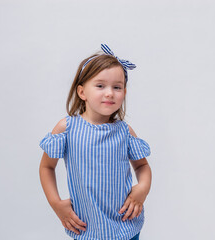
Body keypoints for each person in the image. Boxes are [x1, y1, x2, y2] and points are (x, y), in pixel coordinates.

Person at [39, 44, 152, 240]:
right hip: (87, 229)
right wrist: (56, 203)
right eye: (100, 86)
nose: (110, 93)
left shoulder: (125, 131)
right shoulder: (67, 129)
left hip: (126, 228)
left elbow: (142, 165)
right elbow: (46, 167)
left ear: (124, 93)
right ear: (82, 92)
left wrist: (142, 188)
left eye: (117, 87)